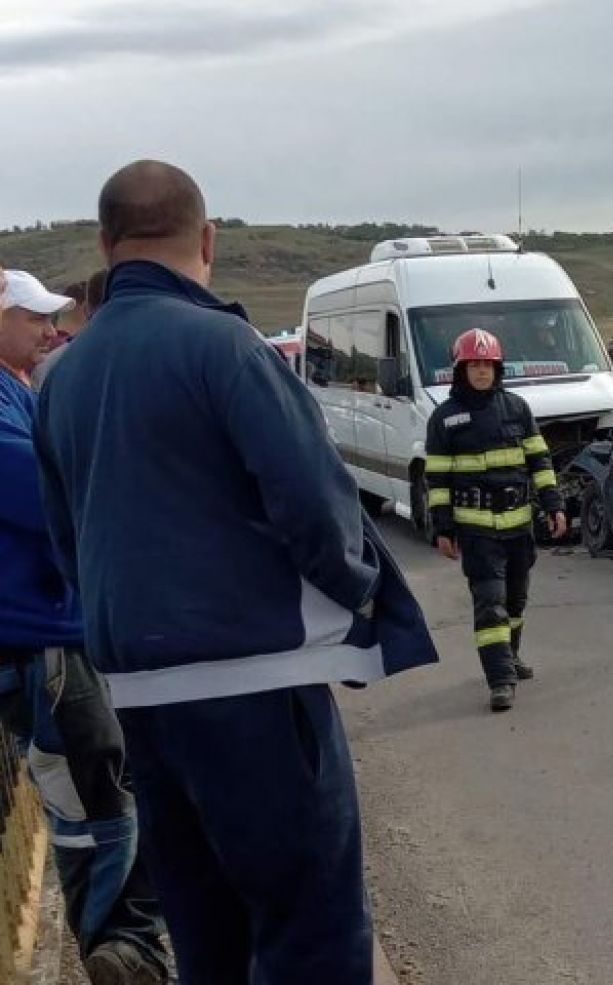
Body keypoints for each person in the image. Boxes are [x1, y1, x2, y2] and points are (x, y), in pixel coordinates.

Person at [34, 160, 438, 984]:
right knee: (309, 931)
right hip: (258, 689)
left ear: (106, 246)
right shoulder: (227, 348)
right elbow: (317, 507)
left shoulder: (59, 377)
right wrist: (362, 596)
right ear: (208, 239)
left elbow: (65, 535)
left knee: (206, 931)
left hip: (142, 700)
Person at [0, 268, 169, 984]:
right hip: (42, 638)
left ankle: (127, 944)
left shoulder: (16, 388)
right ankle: (125, 949)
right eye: (34, 316)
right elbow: (46, 490)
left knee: (98, 787)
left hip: (55, 628)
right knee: (96, 796)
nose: (51, 330)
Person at [425, 328, 568, 712]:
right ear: (461, 369)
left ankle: (511, 655)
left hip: (519, 527)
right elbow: (436, 480)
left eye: (487, 364)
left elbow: (540, 461)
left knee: (515, 601)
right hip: (476, 532)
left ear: (497, 368)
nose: (481, 371)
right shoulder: (445, 418)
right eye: (474, 364)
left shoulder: (517, 409)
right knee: (490, 603)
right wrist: (443, 528)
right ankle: (500, 679)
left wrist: (554, 505)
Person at [33, 269, 107, 391]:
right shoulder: (59, 356)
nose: (50, 332)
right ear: (85, 308)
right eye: (38, 319)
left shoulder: (46, 362)